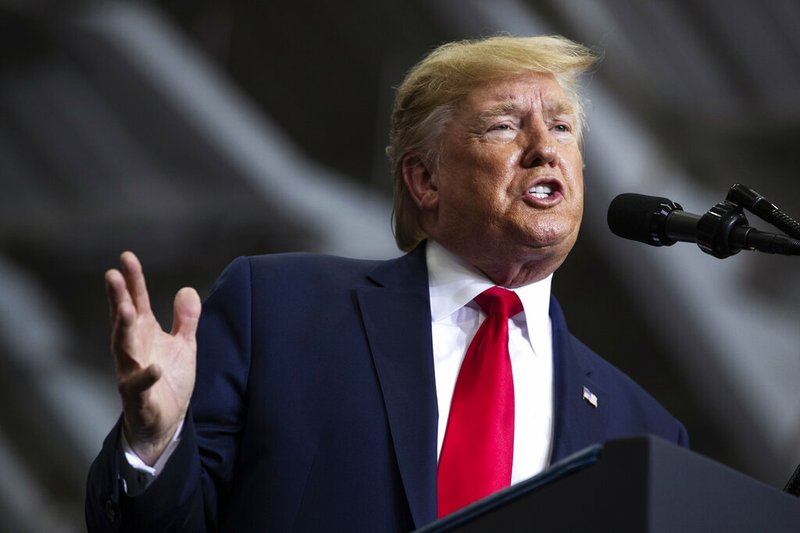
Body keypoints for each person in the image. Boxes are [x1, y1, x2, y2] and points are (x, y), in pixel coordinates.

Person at [86, 34, 688, 531]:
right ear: (425, 179)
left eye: (561, 129)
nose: (544, 151)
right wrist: (156, 446)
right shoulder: (277, 311)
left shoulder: (645, 431)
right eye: (505, 127)